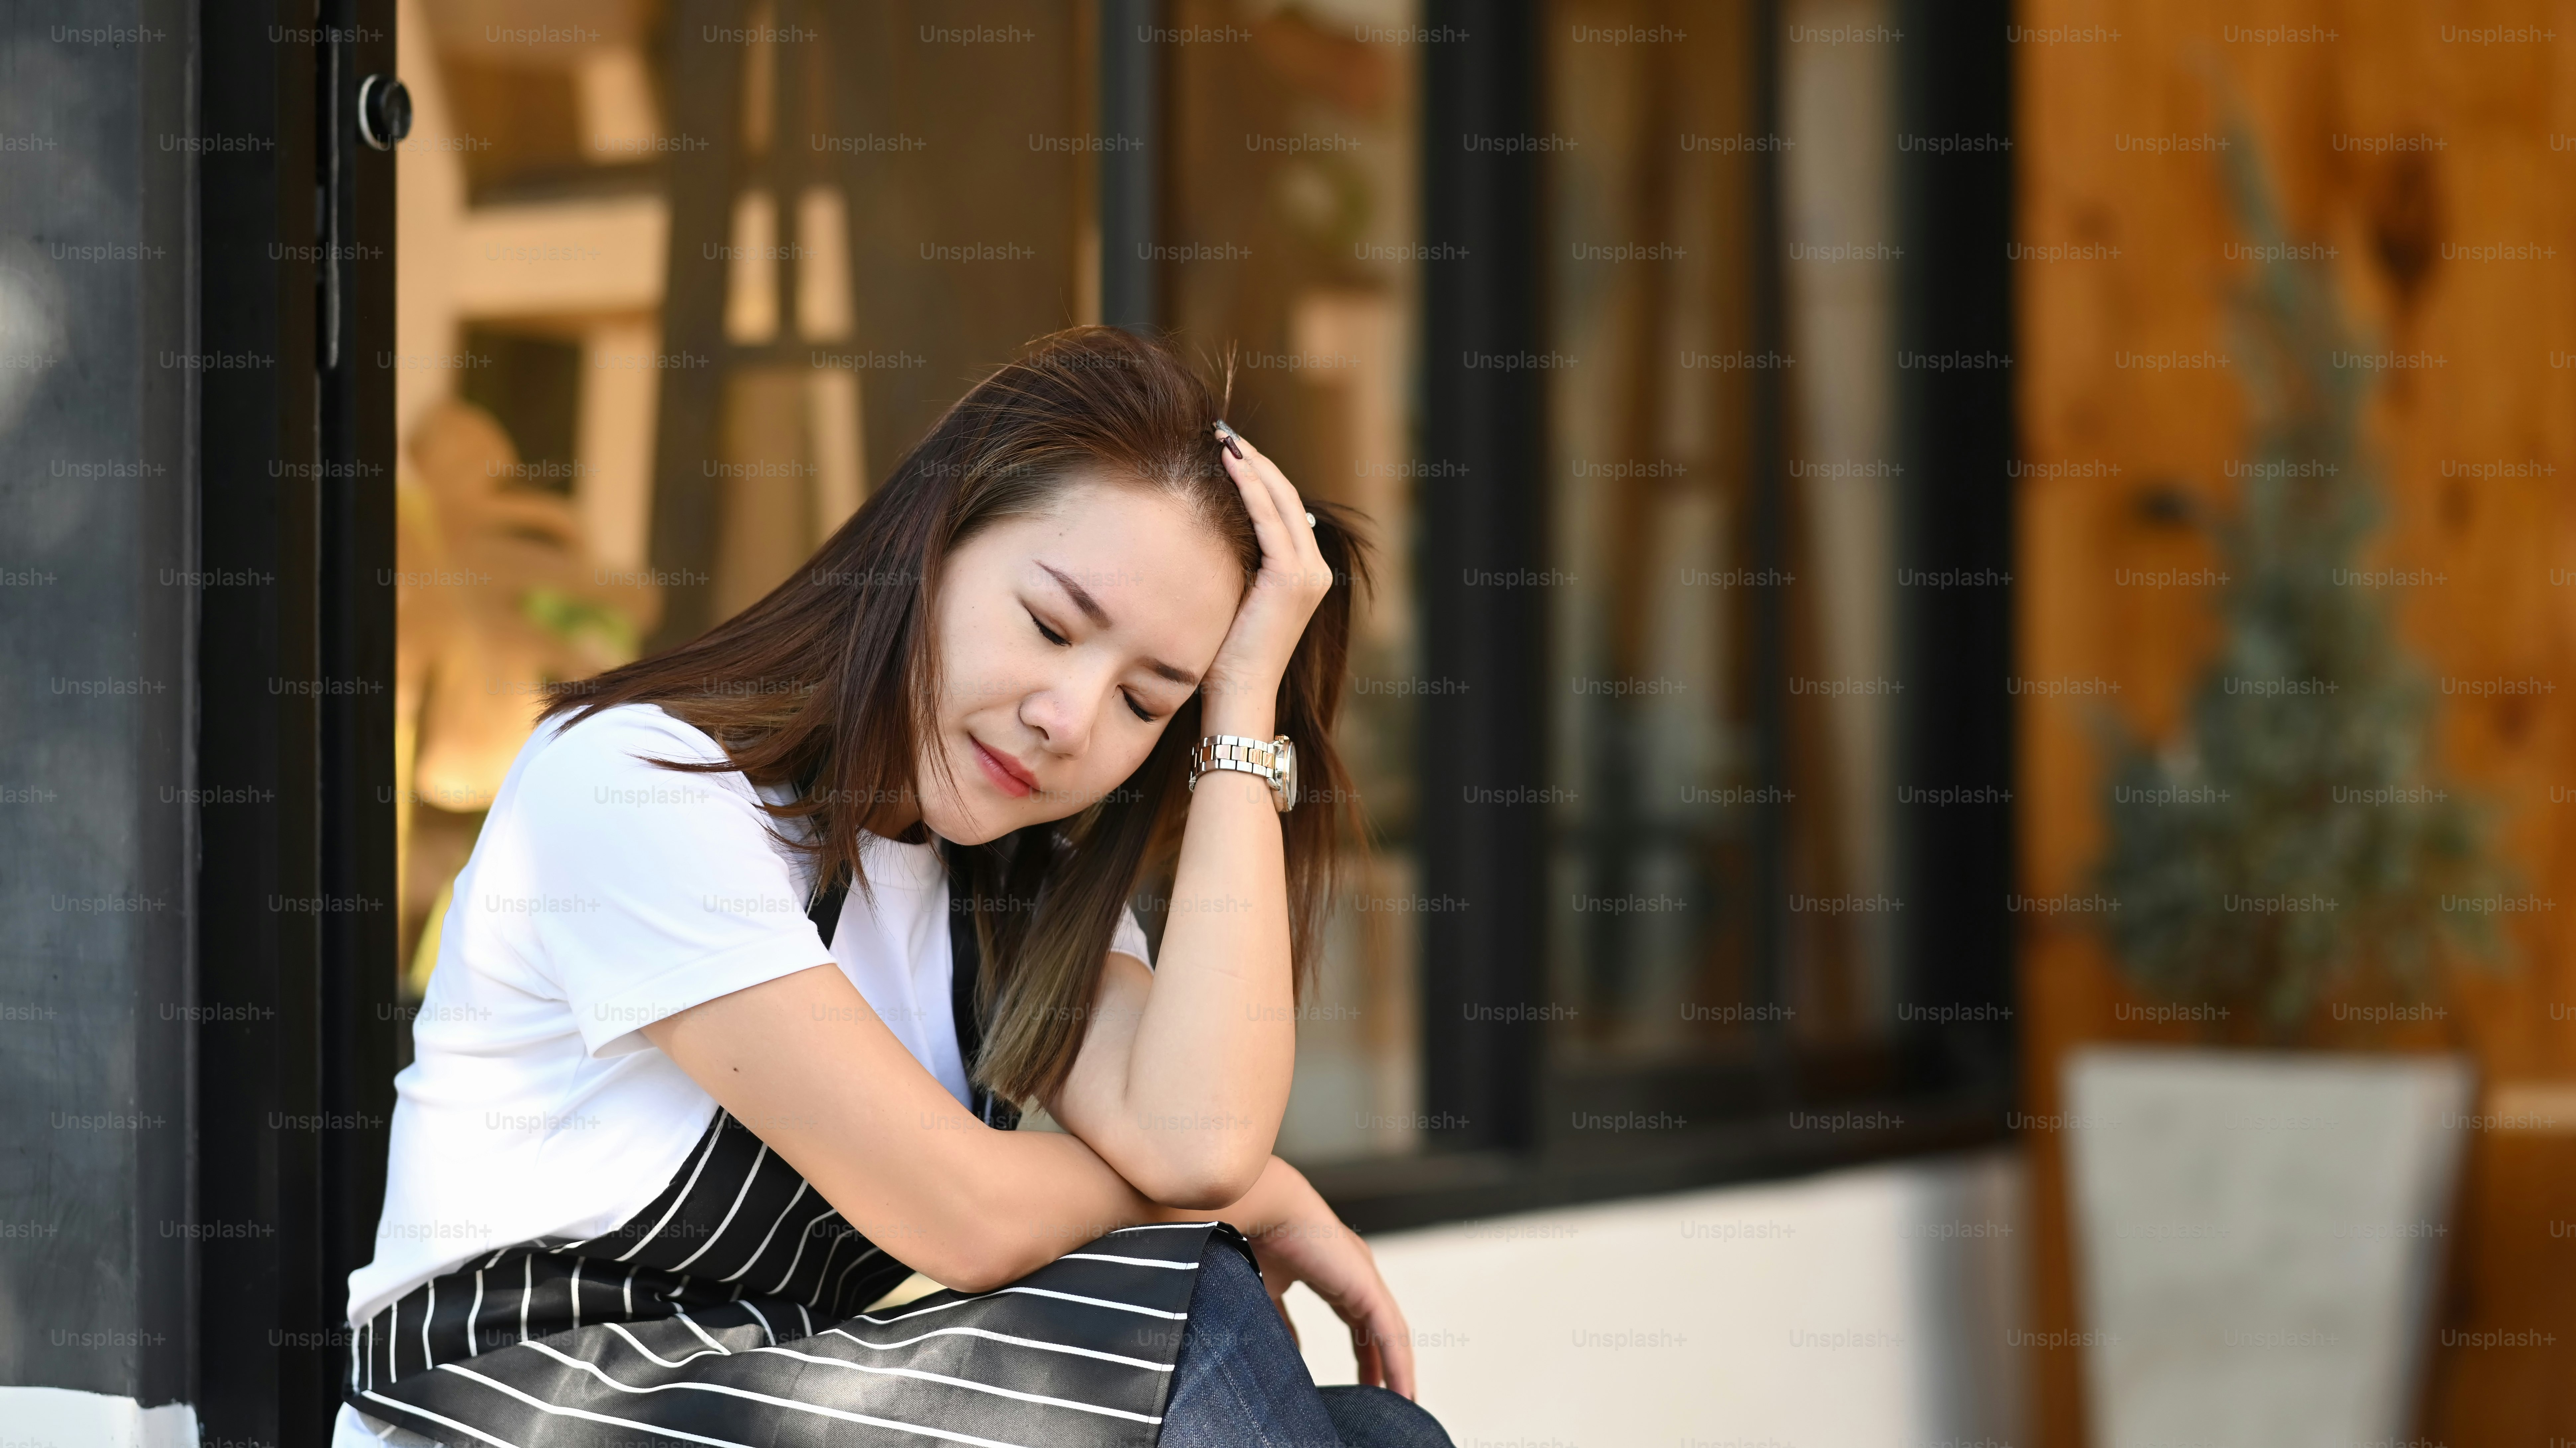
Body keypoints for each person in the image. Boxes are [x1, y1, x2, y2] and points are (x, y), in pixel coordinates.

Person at [333, 325, 1454, 1448]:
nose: (1067, 720)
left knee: (1374, 1435)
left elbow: (1197, 1140)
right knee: (1185, 1318)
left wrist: (1244, 703)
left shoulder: (1017, 890)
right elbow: (965, 1218)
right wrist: (1250, 1203)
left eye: (1147, 702)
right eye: (1051, 625)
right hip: (510, 1413)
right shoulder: (639, 787)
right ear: (930, 545)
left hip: (761, 1397)